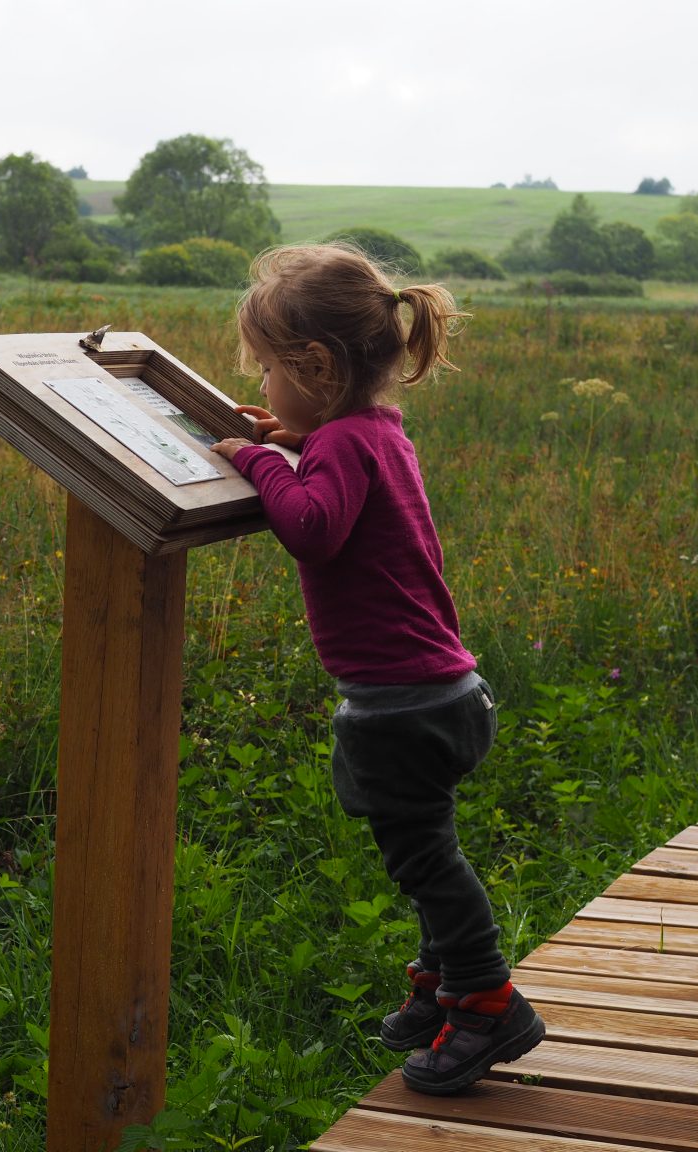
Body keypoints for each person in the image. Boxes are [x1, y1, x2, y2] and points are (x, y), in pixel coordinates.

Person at [210, 243, 545, 1096]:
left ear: (315, 366)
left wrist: (257, 460)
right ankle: (440, 982)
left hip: (401, 707)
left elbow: (314, 529)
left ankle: (486, 1000)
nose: (264, 385)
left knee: (426, 860)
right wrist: (298, 440)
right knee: (428, 844)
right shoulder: (374, 431)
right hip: (446, 691)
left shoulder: (338, 450)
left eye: (269, 370)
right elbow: (344, 485)